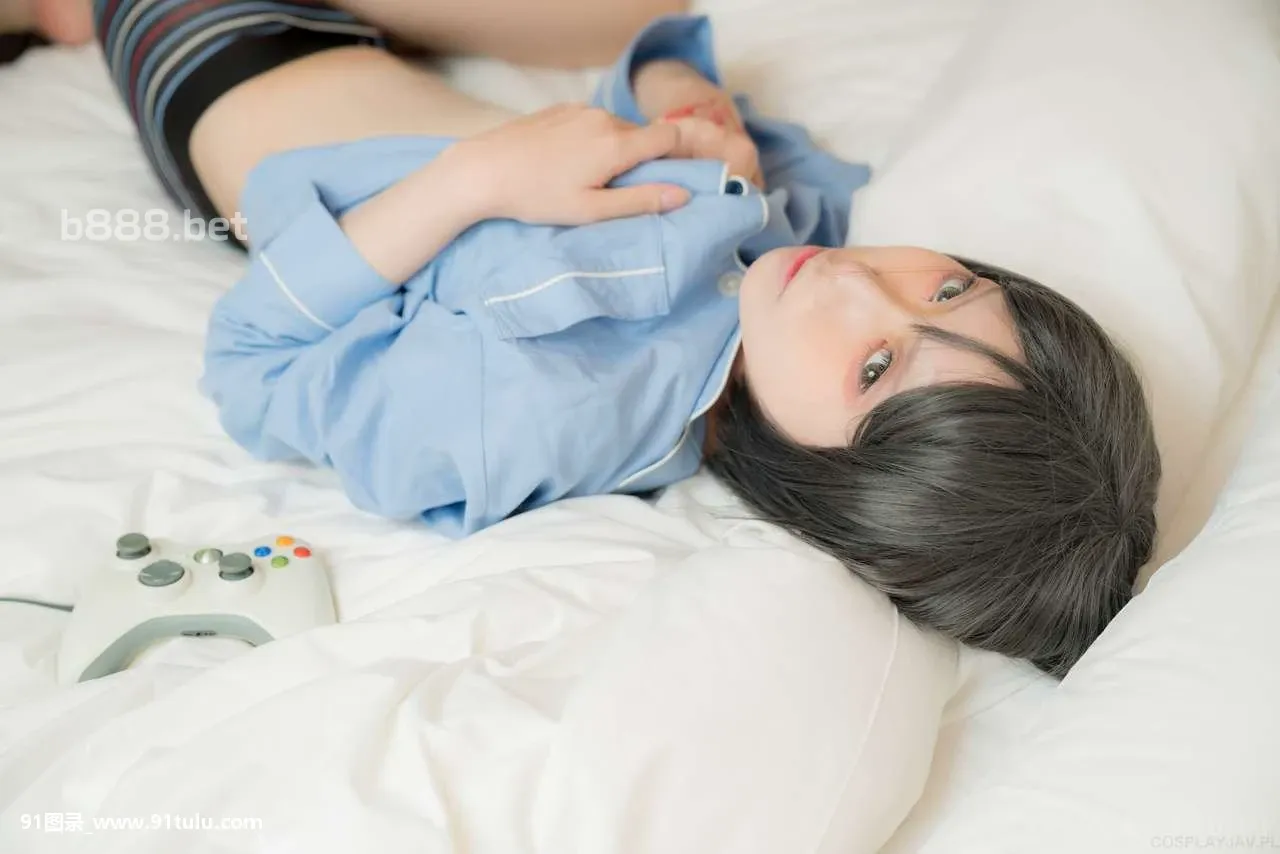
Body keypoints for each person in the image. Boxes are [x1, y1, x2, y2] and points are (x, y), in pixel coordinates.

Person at [80, 0, 1160, 679]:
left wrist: (469, 183)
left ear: (835, 485)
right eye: (950, 287)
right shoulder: (780, 267)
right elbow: (635, 104)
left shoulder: (530, 416)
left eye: (876, 368)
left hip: (216, 55)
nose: (857, 283)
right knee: (664, 12)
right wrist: (685, 102)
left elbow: (253, 358)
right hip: (358, 43)